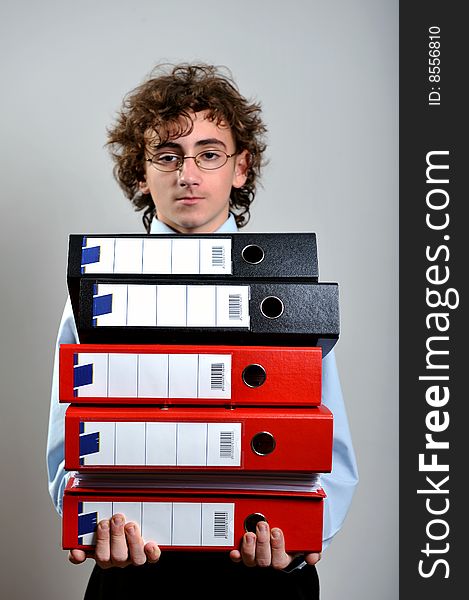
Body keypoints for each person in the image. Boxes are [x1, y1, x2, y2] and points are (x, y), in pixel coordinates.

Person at [47, 63, 358, 599]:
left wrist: (299, 538)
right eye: (167, 156)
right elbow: (67, 449)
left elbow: (328, 445)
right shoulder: (93, 297)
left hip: (266, 571)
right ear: (141, 173)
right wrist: (94, 522)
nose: (187, 174)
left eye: (208, 154)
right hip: (137, 573)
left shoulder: (290, 290)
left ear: (240, 167)